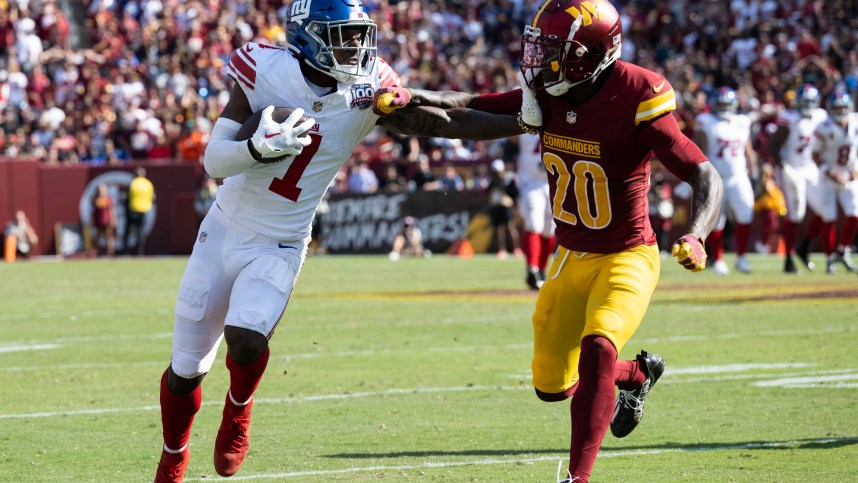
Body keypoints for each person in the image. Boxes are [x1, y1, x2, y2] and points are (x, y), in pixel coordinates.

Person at [153, 2, 510, 481]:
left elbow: (444, 116)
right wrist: (257, 148)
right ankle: (173, 455)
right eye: (342, 36)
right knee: (185, 370)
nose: (356, 47)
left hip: (281, 242)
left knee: (245, 338)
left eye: (359, 35)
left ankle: (239, 407)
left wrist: (525, 119)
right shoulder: (265, 68)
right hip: (223, 230)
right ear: (307, 37)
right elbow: (214, 162)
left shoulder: (368, 87)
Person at [373, 1, 723, 480]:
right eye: (541, 46)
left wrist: (698, 234)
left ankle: (577, 478)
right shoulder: (550, 93)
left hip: (627, 255)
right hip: (568, 258)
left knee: (599, 347)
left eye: (556, 50)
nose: (540, 60)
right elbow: (468, 107)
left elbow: (703, 172)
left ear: (595, 51)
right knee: (553, 386)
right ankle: (637, 375)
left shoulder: (638, 93)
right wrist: (407, 97)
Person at [693, 87, 758, 275]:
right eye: (720, 104)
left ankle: (742, 257)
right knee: (716, 221)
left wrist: (753, 175)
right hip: (716, 178)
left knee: (746, 213)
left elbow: (748, 151)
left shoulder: (741, 122)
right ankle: (718, 259)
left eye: (726, 104)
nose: (723, 108)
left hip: (739, 176)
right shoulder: (706, 122)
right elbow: (700, 148)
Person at [768, 84, 828, 273]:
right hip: (791, 167)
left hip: (810, 166)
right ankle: (788, 259)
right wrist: (783, 166)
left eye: (811, 102)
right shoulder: (789, 118)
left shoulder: (821, 116)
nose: (807, 105)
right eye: (804, 101)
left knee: (826, 209)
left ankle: (805, 246)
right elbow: (773, 146)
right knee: (796, 214)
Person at [806, 88, 858, 273]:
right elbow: (815, 154)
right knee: (830, 218)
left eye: (843, 108)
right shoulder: (823, 127)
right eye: (837, 108)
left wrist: (856, 170)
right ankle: (829, 259)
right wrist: (829, 172)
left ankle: (843, 250)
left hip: (849, 176)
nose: (840, 112)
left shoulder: (855, 122)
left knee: (854, 214)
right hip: (828, 178)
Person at [515, 133, 555, 289]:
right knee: (534, 224)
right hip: (530, 182)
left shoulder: (555, 118)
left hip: (553, 180)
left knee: (549, 229)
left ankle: (541, 269)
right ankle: (532, 268)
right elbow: (510, 144)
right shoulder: (523, 123)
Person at [487, 159, 523, 259]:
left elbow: (514, 193)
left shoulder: (509, 179)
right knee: (500, 229)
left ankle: (517, 249)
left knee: (511, 227)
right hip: (496, 206)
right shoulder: (492, 181)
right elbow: (488, 190)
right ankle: (502, 250)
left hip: (506, 206)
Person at [125, 167, 155, 256]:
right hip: (144, 211)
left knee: (127, 232)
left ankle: (126, 252)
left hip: (132, 210)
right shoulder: (148, 184)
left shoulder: (133, 183)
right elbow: (152, 198)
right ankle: (139, 253)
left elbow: (127, 197)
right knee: (140, 234)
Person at [648, 173, 674, 255]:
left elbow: (665, 196)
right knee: (653, 231)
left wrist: (659, 191)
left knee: (662, 232)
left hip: (662, 213)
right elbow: (649, 198)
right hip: (653, 213)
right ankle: (654, 248)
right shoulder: (651, 186)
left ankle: (663, 249)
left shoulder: (665, 186)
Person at [92, 183, 117, 257]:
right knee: (97, 237)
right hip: (98, 221)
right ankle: (96, 253)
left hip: (107, 221)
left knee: (109, 238)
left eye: (103, 189)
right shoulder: (96, 199)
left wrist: (113, 219)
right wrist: (93, 221)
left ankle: (110, 253)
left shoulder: (108, 199)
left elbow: (112, 210)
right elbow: (93, 211)